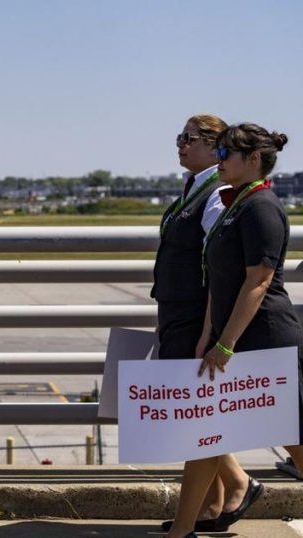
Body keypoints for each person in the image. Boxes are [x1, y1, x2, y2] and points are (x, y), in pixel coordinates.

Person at [165, 123, 303, 538]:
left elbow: (257, 282)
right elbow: (218, 280)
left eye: (226, 154)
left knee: (293, 441)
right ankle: (182, 530)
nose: (219, 161)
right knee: (206, 433)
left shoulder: (261, 206)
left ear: (254, 160)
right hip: (233, 335)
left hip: (264, 338)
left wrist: (224, 345)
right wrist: (209, 333)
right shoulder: (234, 204)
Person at [152, 114, 256, 535]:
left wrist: (209, 331)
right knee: (195, 413)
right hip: (179, 310)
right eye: (180, 136)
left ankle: (227, 491)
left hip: (195, 316)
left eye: (189, 138)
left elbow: (217, 264)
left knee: (196, 415)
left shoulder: (215, 194)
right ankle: (220, 496)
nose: (180, 144)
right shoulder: (196, 188)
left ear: (216, 147)